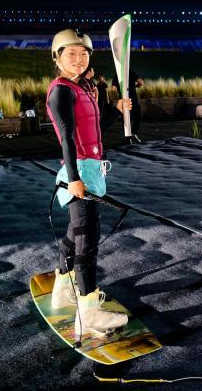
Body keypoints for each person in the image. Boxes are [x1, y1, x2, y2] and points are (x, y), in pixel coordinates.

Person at [45, 29, 132, 337]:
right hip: (79, 170)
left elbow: (93, 129)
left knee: (75, 232)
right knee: (87, 239)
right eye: (71, 54)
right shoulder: (61, 91)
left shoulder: (81, 87)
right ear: (57, 58)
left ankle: (62, 291)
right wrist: (74, 179)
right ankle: (89, 313)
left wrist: (116, 111)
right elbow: (67, 138)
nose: (79, 59)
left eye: (84, 54)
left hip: (91, 169)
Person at [112, 71, 144, 135]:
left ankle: (127, 134)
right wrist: (134, 84)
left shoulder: (117, 74)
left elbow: (113, 89)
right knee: (137, 115)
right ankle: (134, 132)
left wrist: (120, 87)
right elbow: (141, 83)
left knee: (125, 117)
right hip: (132, 99)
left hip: (124, 99)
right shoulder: (131, 73)